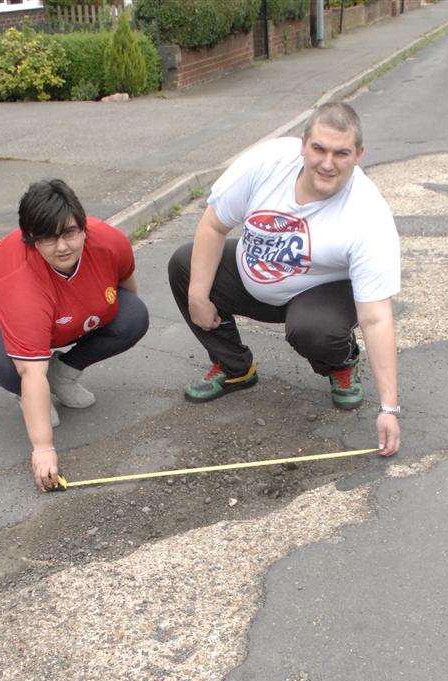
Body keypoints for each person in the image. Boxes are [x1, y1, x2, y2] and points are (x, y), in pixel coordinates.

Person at [168, 101, 401, 456]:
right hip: (254, 276)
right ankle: (235, 368)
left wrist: (388, 408)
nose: (327, 163)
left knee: (312, 329)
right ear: (303, 144)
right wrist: (199, 296)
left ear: (358, 155)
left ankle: (341, 363)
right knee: (185, 265)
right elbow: (214, 225)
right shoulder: (265, 164)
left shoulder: (368, 215)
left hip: (320, 292)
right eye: (319, 148)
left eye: (341, 153)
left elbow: (376, 315)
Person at [0, 179, 149, 491]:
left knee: (133, 315)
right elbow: (30, 370)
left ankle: (61, 375)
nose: (62, 247)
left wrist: (113, 315)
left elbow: (125, 285)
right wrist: (43, 449)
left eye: (70, 233)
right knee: (13, 366)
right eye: (47, 238)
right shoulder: (21, 284)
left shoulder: (109, 241)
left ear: (84, 227)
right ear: (31, 240)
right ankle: (33, 398)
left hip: (60, 316)